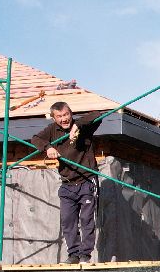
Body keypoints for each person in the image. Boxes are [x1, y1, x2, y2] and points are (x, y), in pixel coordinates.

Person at [30, 101, 105, 263]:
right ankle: (74, 255)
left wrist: (77, 126)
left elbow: (98, 115)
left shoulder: (83, 127)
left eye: (66, 115)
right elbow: (35, 139)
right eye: (59, 116)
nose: (64, 119)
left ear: (71, 114)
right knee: (68, 221)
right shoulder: (52, 130)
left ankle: (85, 255)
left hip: (87, 180)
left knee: (86, 220)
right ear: (54, 118)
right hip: (67, 183)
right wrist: (47, 148)